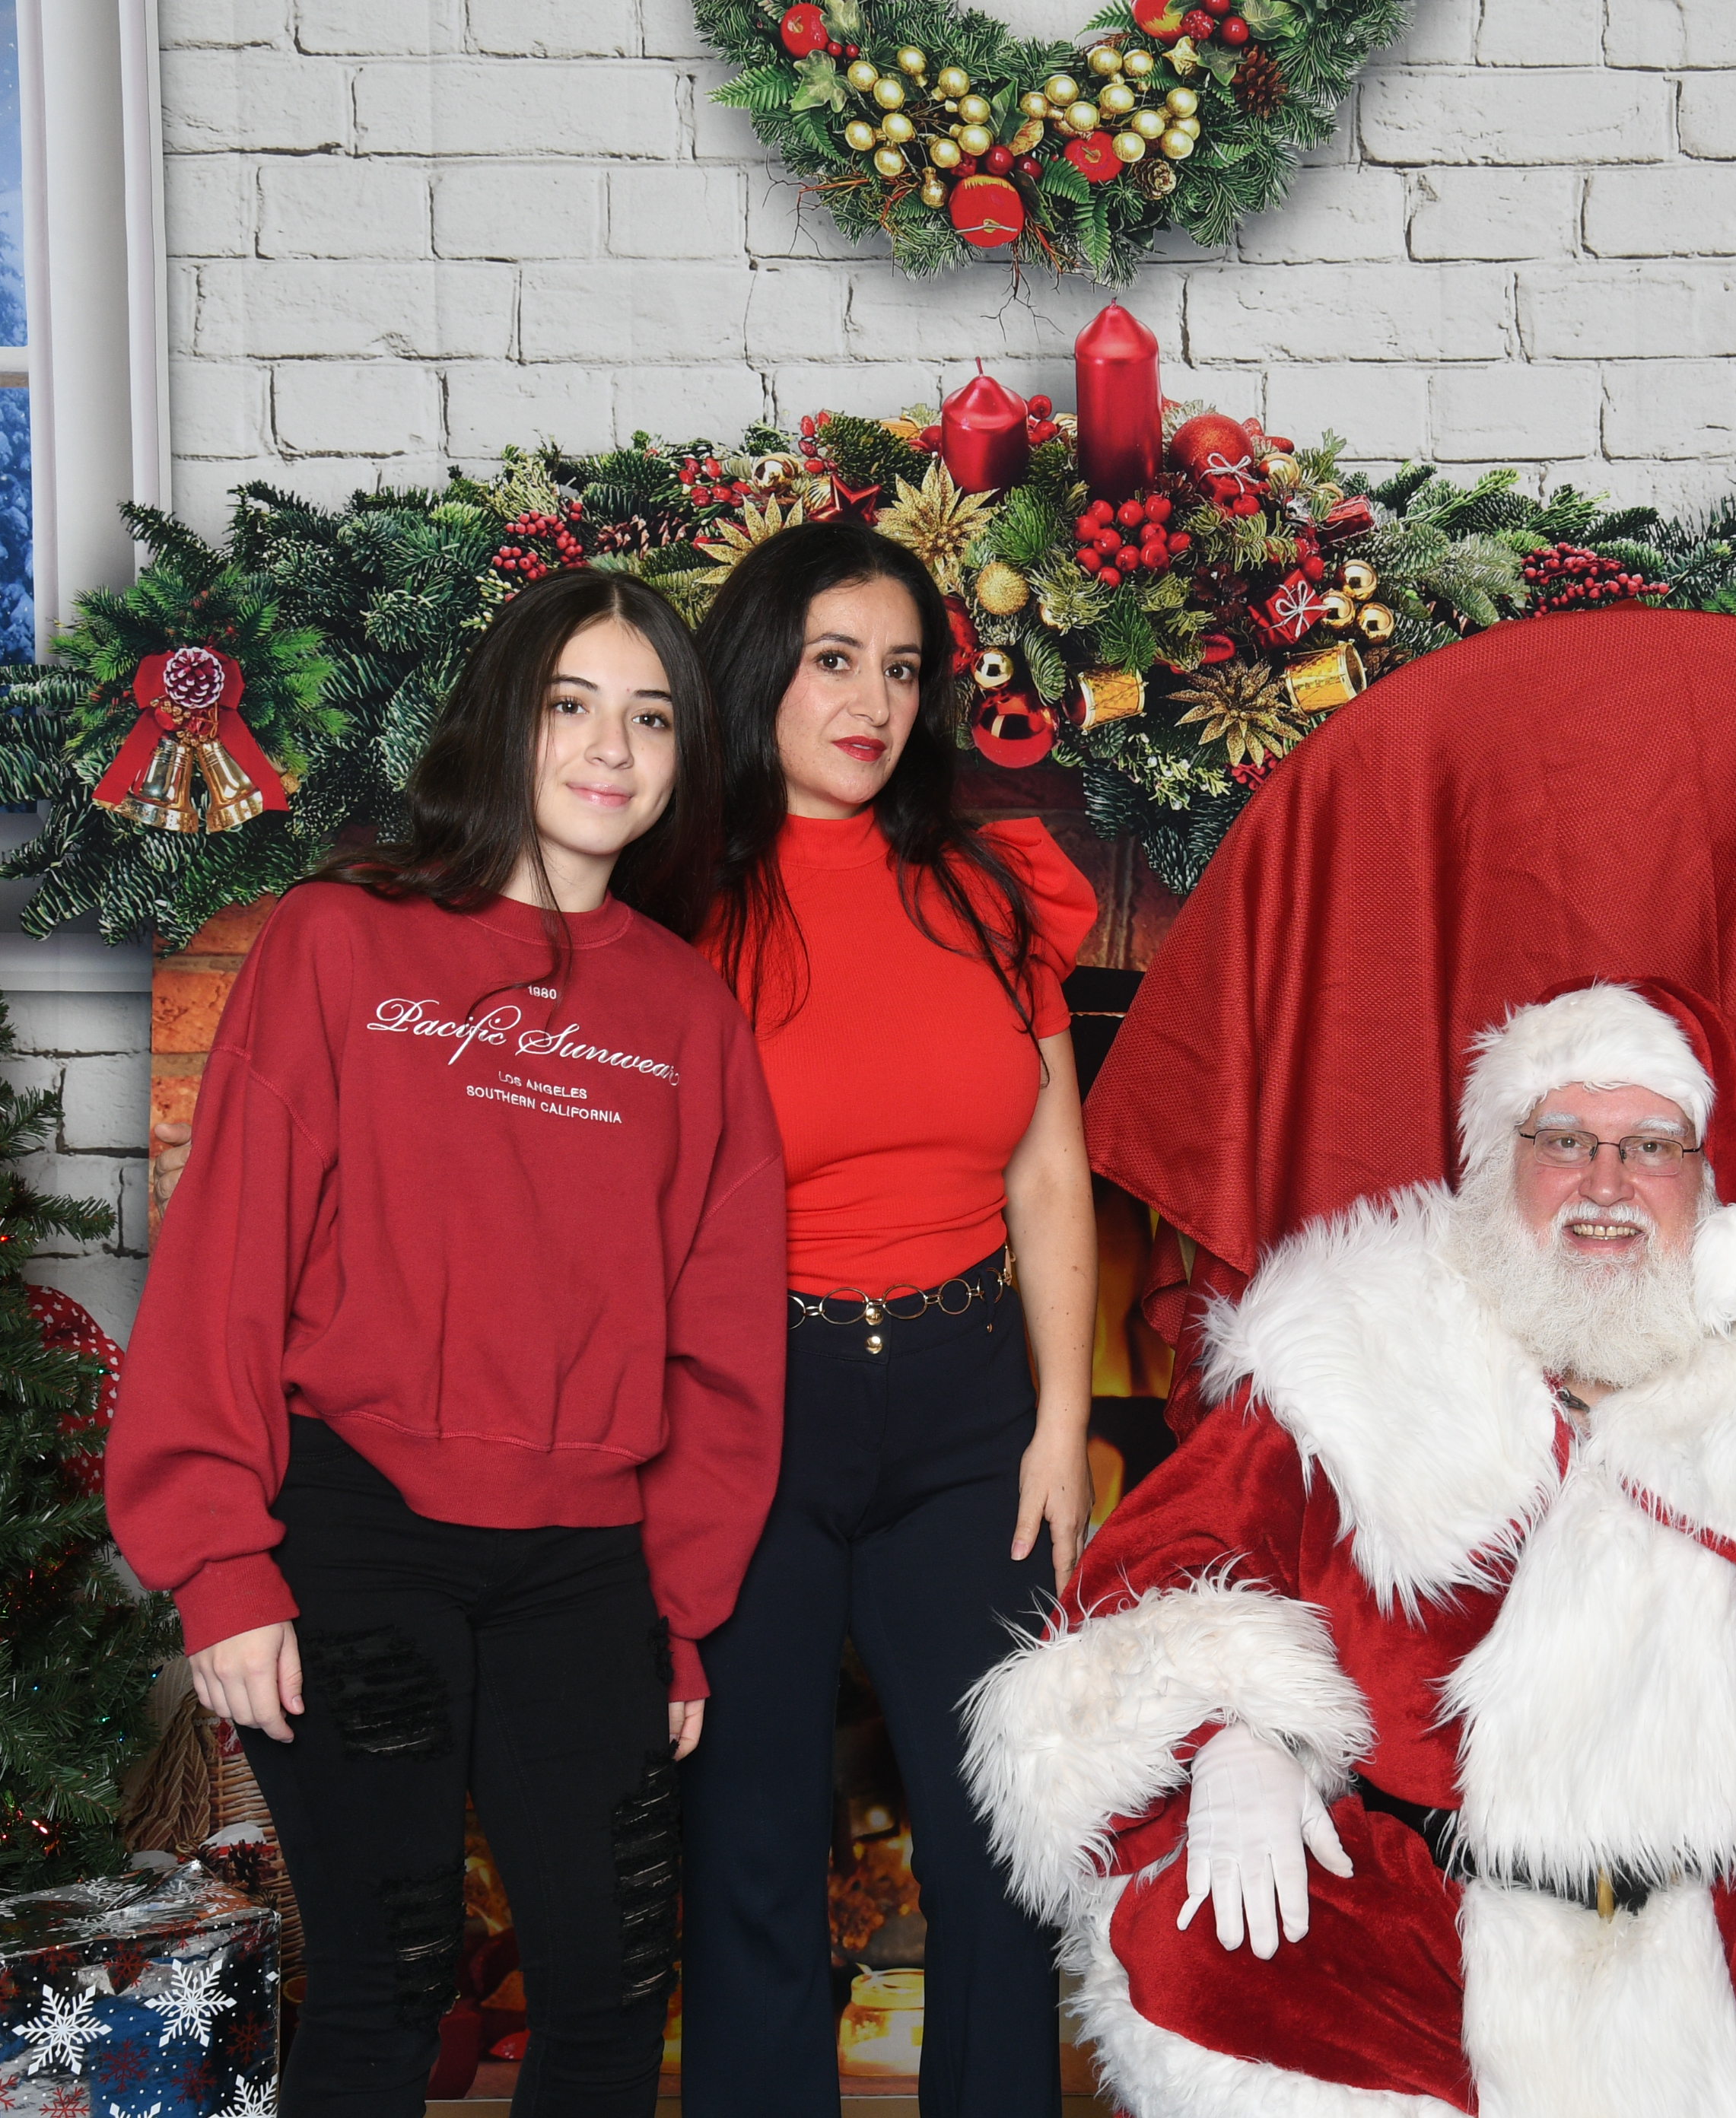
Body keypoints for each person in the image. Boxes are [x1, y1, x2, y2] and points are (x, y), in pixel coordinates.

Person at [960, 979, 1736, 2118]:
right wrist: (1234, 1737)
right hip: (1427, 1931)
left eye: (1649, 1146)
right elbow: (1145, 1591)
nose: (1603, 1185)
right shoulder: (1361, 1349)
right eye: (1564, 1140)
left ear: (1713, 1178)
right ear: (1500, 1159)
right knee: (1205, 1948)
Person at [106, 570, 791, 2118]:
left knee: (612, 1999)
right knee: (386, 1990)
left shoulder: (689, 1014)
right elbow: (228, 1262)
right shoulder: (341, 943)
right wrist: (220, 1561)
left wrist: (680, 1611)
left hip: (585, 1570)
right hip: (359, 1539)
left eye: (652, 718)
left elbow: (724, 1342)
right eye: (571, 705)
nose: (611, 748)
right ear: (499, 719)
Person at [676, 520, 1099, 2118]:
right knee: (754, 1854)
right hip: (756, 1404)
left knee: (1001, 1849)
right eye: (834, 661)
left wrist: (1062, 1422)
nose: (872, 704)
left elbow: (1048, 1170)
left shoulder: (993, 886)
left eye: (904, 669)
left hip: (970, 1403)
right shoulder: (677, 903)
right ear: (758, 671)